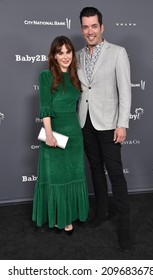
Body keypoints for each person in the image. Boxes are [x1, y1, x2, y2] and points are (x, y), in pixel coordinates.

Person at [76, 7, 132, 251]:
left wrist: (122, 123)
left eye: (94, 26)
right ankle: (101, 213)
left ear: (102, 27)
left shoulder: (118, 53)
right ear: (82, 29)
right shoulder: (77, 55)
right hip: (85, 122)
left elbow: (125, 91)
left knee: (116, 175)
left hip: (109, 124)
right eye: (86, 27)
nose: (90, 31)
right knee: (96, 170)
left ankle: (125, 228)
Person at [32, 36, 89, 234]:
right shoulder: (46, 76)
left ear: (73, 54)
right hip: (54, 133)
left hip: (73, 133)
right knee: (56, 177)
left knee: (73, 174)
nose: (65, 56)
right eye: (60, 52)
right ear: (54, 56)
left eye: (68, 52)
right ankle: (57, 216)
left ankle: (70, 215)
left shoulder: (76, 76)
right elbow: (45, 108)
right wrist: (49, 134)